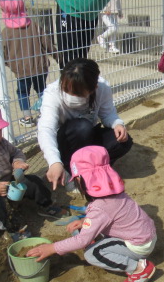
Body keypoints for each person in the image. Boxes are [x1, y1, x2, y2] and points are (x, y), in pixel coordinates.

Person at [26, 146, 157, 282]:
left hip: (138, 246)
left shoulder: (101, 207)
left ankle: (139, 269)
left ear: (83, 180)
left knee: (93, 253)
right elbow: (110, 216)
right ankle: (117, 251)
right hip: (145, 235)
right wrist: (84, 222)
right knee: (89, 232)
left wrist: (52, 248)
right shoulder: (114, 193)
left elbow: (82, 240)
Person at [0, 99, 66, 241]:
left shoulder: (1, 143)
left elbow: (16, 153)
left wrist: (17, 162)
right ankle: (14, 229)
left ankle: (46, 205)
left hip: (8, 184)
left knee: (33, 181)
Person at [38, 58, 132, 191]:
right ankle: (69, 171)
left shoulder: (102, 87)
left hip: (88, 136)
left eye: (77, 93)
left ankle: (95, 168)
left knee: (122, 141)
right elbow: (46, 129)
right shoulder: (52, 93)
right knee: (82, 127)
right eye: (66, 89)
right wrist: (54, 161)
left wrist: (117, 124)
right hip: (67, 141)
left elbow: (108, 113)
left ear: (94, 88)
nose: (71, 95)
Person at [0, 0, 56, 127]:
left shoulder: (6, 32)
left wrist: (8, 63)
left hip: (21, 69)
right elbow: (47, 43)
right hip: (39, 66)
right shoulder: (35, 26)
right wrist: (57, 56)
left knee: (23, 92)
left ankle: (27, 117)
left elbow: (1, 52)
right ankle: (43, 112)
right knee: (41, 89)